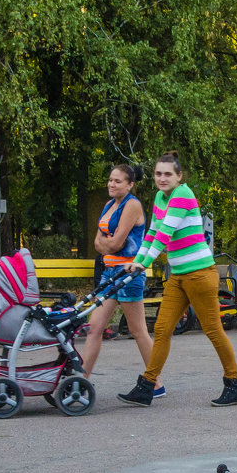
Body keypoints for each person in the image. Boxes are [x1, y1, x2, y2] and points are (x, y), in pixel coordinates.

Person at [117, 151, 237, 407]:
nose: (162, 179)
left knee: (213, 330)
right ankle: (147, 386)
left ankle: (234, 383)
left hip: (199, 275)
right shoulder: (160, 198)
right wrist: (137, 261)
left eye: (167, 174)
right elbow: (151, 233)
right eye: (158, 174)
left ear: (179, 176)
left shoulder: (183, 195)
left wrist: (143, 264)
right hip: (179, 276)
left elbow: (165, 234)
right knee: (162, 330)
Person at [79, 165, 164, 398]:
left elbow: (115, 244)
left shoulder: (132, 205)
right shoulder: (109, 205)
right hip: (109, 271)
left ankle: (155, 383)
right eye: (110, 180)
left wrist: (107, 242)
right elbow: (97, 242)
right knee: (94, 327)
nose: (111, 184)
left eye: (117, 181)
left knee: (138, 331)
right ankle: (80, 381)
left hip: (128, 272)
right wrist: (107, 242)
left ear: (130, 184)